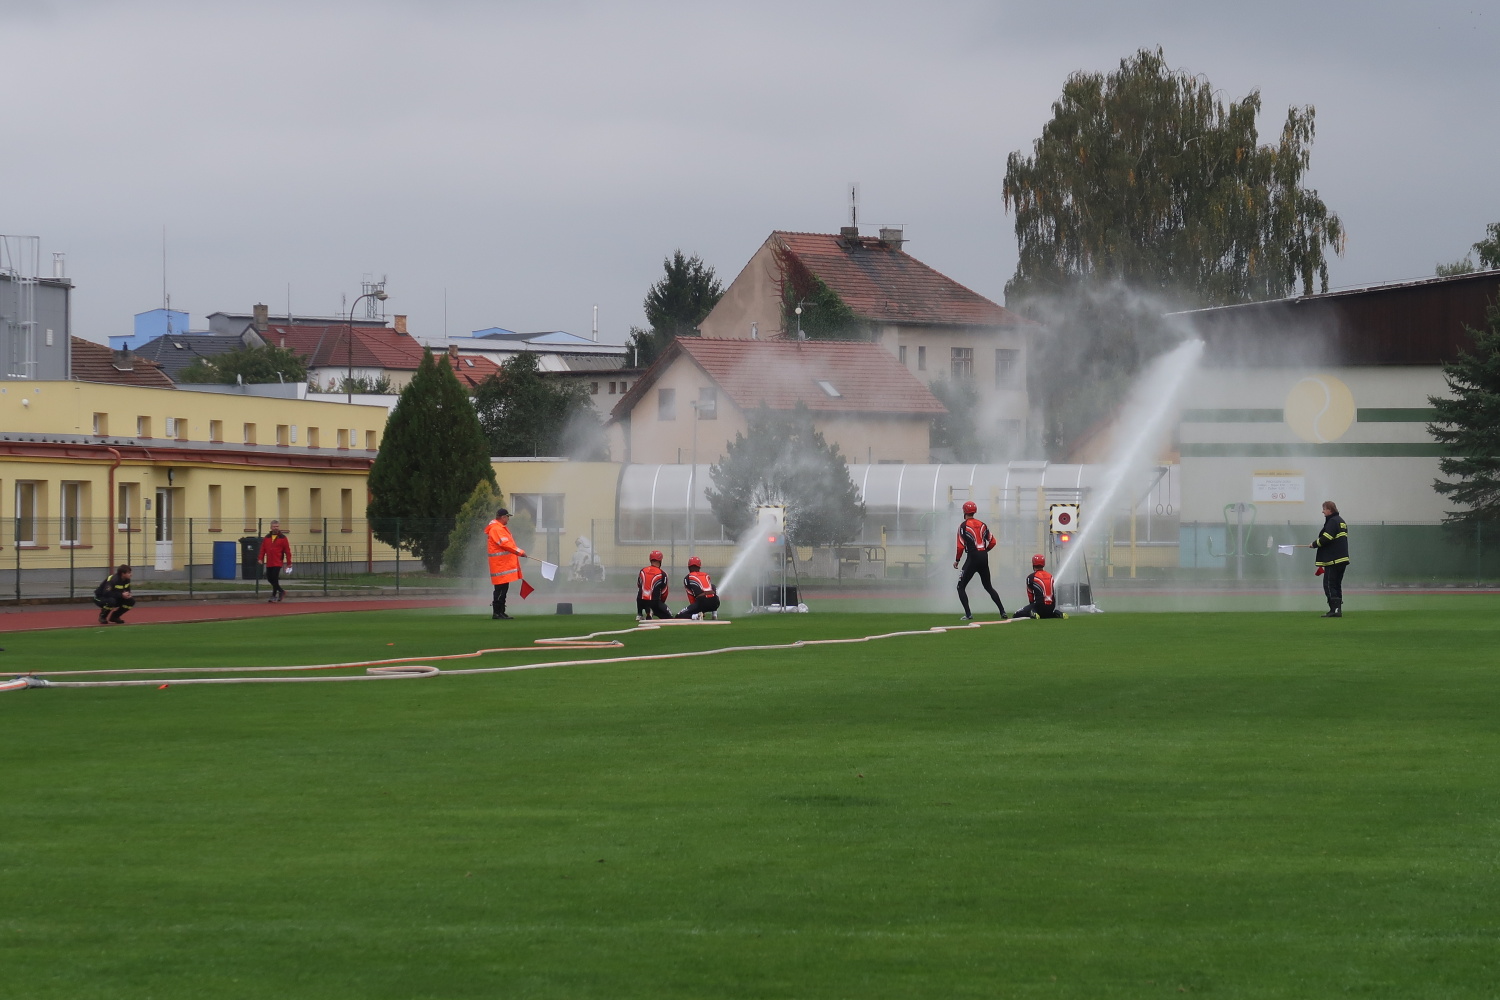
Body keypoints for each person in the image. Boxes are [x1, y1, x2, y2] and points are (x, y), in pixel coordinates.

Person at [952, 500, 1006, 620]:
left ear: (964, 512)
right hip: (983, 557)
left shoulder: (963, 526)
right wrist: (985, 551)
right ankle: (1002, 611)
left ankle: (968, 614)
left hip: (972, 557)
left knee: (960, 587)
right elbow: (993, 541)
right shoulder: (982, 524)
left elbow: (960, 546)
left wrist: (957, 560)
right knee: (988, 586)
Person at [1309, 499, 1350, 618]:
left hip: (1334, 559)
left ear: (1330, 510)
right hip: (1341, 559)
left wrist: (1314, 544)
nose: (1323, 512)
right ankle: (1337, 609)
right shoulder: (1341, 521)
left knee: (1329, 584)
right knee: (1336, 584)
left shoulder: (1332, 521)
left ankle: (1334, 609)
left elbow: (1327, 538)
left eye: (1324, 509)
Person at [486, 507, 525, 620]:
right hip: (500, 565)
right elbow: (505, 544)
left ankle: (501, 611)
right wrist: (519, 552)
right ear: (503, 517)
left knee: (503, 588)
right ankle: (497, 612)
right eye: (507, 517)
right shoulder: (496, 529)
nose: (508, 519)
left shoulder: (498, 528)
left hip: (502, 565)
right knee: (500, 589)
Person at [1012, 553, 1066, 619]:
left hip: (1039, 606)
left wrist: (1032, 606)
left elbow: (1030, 596)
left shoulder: (1031, 577)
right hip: (1051, 607)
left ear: (1033, 563)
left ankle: (1034, 613)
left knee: (1016, 614)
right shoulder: (1050, 576)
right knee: (1047, 614)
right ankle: (1057, 613)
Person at [258, 520, 293, 603]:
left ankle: (274, 595)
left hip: (278, 561)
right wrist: (260, 558)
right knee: (269, 577)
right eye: (274, 526)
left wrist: (289, 563)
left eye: (277, 526)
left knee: (274, 577)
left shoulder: (283, 538)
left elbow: (287, 551)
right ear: (271, 527)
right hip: (269, 561)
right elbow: (263, 549)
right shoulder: (267, 537)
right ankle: (281, 591)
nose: (275, 528)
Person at [636, 550, 672, 620]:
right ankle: (652, 610)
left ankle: (640, 614)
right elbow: (664, 593)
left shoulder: (643, 570)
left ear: (650, 559)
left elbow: (639, 585)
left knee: (641, 594)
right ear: (660, 560)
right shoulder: (662, 574)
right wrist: (661, 604)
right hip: (654, 602)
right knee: (669, 616)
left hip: (640, 601)